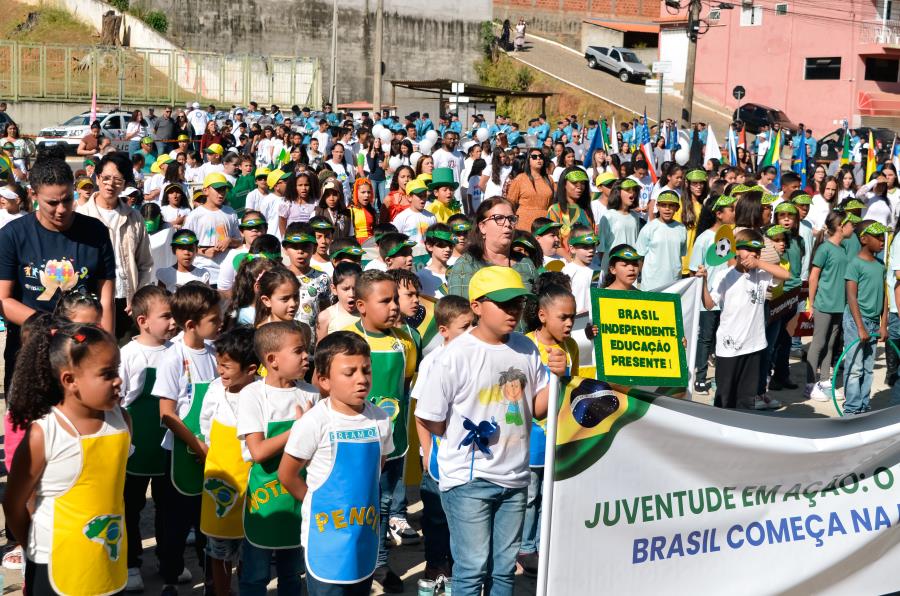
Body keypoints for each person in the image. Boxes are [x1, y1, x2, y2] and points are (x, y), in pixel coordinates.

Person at [415, 266, 563, 596]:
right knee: (471, 569)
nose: (513, 311)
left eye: (517, 304)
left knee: (504, 571)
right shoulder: (453, 355)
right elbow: (430, 418)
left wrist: (558, 376)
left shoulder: (527, 348)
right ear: (477, 306)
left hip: (515, 478)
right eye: (504, 304)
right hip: (469, 481)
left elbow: (537, 408)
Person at [4, 323, 131, 596]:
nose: (118, 380)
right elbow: (13, 502)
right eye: (107, 374)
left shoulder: (122, 421)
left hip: (108, 561)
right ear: (69, 380)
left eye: (117, 371)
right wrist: (33, 545)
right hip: (55, 566)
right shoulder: (45, 432)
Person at [277, 332, 393, 596]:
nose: (361, 379)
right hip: (325, 539)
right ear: (324, 380)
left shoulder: (381, 420)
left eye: (366, 370)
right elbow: (287, 473)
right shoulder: (315, 422)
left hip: (364, 532)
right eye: (349, 372)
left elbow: (378, 467)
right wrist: (316, 502)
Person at [0, 157, 116, 395]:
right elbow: (4, 300)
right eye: (52, 202)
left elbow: (106, 298)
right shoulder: (12, 235)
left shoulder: (96, 233)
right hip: (30, 350)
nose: (62, 209)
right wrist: (53, 327)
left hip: (83, 350)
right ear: (33, 195)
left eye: (66, 199)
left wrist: (107, 348)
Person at [345, 271, 417, 592]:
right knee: (357, 502)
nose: (393, 307)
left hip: (393, 441)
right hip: (354, 442)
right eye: (384, 300)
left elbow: (404, 385)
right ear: (361, 305)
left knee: (385, 502)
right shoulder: (347, 340)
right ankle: (353, 559)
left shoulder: (407, 340)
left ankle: (380, 562)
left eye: (395, 300)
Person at [236, 321, 316, 595]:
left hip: (299, 498)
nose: (307, 356)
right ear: (272, 360)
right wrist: (299, 429)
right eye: (299, 351)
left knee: (292, 574)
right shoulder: (253, 395)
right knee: (255, 575)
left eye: (306, 350)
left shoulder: (312, 394)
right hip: (265, 501)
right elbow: (257, 451)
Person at [152, 282, 223, 593]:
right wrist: (197, 445)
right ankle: (170, 576)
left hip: (212, 451)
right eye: (214, 320)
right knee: (176, 524)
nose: (220, 324)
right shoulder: (172, 358)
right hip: (181, 454)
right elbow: (166, 414)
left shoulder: (214, 352)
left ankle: (211, 579)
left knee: (208, 521)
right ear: (192, 324)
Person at [410, 295, 474, 587]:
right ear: (444, 330)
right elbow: (421, 414)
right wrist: (426, 450)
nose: (471, 332)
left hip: (468, 452)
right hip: (437, 451)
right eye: (464, 327)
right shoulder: (433, 361)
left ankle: (463, 566)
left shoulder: (478, 355)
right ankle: (437, 562)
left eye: (474, 325)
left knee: (465, 514)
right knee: (436, 514)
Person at [119, 285, 177, 591]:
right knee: (131, 505)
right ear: (143, 321)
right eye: (165, 316)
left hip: (169, 441)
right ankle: (130, 563)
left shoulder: (177, 351)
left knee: (169, 506)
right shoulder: (127, 354)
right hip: (136, 444)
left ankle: (170, 561)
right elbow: (119, 402)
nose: (172, 322)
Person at [521, 279, 578, 577]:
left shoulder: (571, 348)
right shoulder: (525, 346)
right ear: (542, 315)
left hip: (558, 436)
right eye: (563, 317)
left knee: (549, 495)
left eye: (572, 317)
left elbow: (573, 388)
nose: (569, 324)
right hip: (529, 437)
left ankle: (545, 545)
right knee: (529, 495)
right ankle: (526, 547)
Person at [699, 229, 790, 409]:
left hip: (754, 346)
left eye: (757, 251)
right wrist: (703, 281)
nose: (753, 255)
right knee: (724, 397)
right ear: (736, 250)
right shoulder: (724, 275)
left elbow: (785, 275)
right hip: (729, 348)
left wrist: (759, 263)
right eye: (748, 250)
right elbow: (709, 304)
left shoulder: (762, 275)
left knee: (746, 399)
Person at [197, 326, 257, 596]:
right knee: (218, 548)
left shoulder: (260, 395)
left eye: (227, 367)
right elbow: (206, 424)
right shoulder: (214, 390)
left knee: (249, 548)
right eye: (219, 365)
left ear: (251, 369)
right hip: (219, 482)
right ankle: (222, 592)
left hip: (251, 484)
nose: (221, 372)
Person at [688, 194, 736, 394]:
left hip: (725, 299)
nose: (734, 212)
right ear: (719, 213)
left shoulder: (730, 237)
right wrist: (702, 292)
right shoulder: (703, 238)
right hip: (707, 300)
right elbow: (693, 270)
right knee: (706, 339)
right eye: (731, 209)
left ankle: (719, 379)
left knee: (721, 340)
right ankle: (700, 378)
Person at [804, 212, 853, 402]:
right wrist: (811, 303)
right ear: (841, 226)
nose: (853, 227)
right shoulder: (825, 248)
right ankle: (809, 384)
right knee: (818, 343)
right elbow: (814, 276)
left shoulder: (843, 249)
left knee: (831, 344)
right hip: (824, 304)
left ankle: (824, 380)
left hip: (839, 305)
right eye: (850, 224)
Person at [842, 220, 890, 414]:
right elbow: (851, 296)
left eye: (883, 237)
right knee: (855, 367)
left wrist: (883, 324)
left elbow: (884, 297)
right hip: (856, 321)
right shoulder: (855, 264)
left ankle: (863, 404)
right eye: (878, 237)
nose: (882, 241)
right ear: (864, 239)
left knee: (868, 368)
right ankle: (852, 408)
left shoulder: (880, 265)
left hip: (873, 323)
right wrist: (860, 327)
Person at [447, 198, 537, 298]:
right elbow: (458, 311)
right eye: (499, 218)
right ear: (482, 227)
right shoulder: (467, 265)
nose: (507, 224)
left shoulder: (525, 263)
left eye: (511, 219)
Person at [184, 173, 242, 286]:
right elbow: (185, 245)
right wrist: (203, 252)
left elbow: (239, 241)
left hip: (227, 272)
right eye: (217, 189)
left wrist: (230, 240)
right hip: (202, 271)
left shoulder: (231, 213)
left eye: (224, 190)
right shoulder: (194, 216)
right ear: (206, 191)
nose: (221, 194)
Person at [282, 223, 331, 338]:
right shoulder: (277, 277)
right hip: (283, 343)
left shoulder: (322, 278)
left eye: (305, 246)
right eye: (294, 246)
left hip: (312, 345)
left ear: (314, 248)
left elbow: (326, 314)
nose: (300, 251)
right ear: (285, 249)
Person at [635, 190, 686, 291]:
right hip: (651, 284)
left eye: (671, 205)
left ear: (677, 208)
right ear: (657, 206)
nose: (667, 209)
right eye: (663, 205)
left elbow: (680, 255)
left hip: (674, 283)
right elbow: (639, 257)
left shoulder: (682, 228)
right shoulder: (648, 228)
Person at [597, 179, 642, 275]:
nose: (632, 193)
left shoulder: (635, 216)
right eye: (628, 190)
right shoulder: (608, 216)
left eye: (634, 190)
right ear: (618, 192)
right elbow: (601, 248)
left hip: (630, 266)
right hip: (612, 268)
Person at [507, 149, 554, 231]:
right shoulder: (520, 179)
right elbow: (510, 202)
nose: (538, 159)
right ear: (528, 161)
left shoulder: (549, 179)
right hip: (524, 223)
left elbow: (552, 203)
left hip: (544, 223)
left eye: (541, 157)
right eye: (534, 157)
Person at [317, 261, 362, 338]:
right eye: (345, 289)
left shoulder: (368, 313)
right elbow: (320, 348)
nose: (351, 294)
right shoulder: (325, 317)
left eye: (355, 288)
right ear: (334, 289)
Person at [418, 223, 454, 298]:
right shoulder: (420, 276)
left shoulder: (457, 273)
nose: (447, 249)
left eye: (450, 245)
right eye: (442, 245)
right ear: (429, 246)